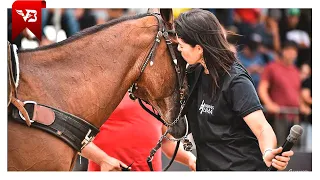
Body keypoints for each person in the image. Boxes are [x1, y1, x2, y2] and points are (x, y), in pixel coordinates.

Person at [174, 9, 294, 171]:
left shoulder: (235, 80)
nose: (179, 50)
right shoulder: (194, 73)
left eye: (181, 46)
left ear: (199, 48)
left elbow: (262, 128)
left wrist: (268, 151)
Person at [80, 93, 196, 171]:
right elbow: (75, 136)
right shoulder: (103, 90)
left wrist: (190, 158)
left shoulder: (155, 96)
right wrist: (103, 160)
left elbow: (166, 141)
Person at [258, 41, 301, 147]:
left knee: (295, 152)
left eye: (294, 51)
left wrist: (302, 106)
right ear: (283, 51)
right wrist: (269, 104)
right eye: (289, 50)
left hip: (294, 116)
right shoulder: (272, 67)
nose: (292, 53)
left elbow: (296, 92)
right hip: (278, 117)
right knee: (277, 148)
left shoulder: (295, 71)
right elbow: (262, 88)